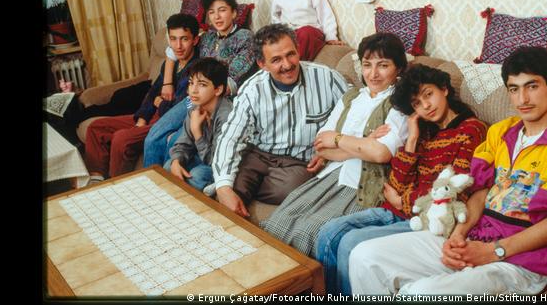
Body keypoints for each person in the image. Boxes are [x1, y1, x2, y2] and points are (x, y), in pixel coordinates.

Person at [348, 46, 547, 295]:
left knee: (422, 293)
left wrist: (494, 251)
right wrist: (457, 236)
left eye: (532, 87)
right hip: (477, 236)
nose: (522, 99)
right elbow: (481, 190)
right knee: (364, 256)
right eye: (514, 89)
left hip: (524, 260)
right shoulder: (501, 133)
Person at [314, 64, 488, 295]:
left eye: (429, 95)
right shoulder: (423, 131)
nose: (426, 106)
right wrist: (412, 140)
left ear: (444, 89)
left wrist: (402, 201)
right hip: (396, 210)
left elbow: (454, 190)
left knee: (349, 242)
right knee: (328, 232)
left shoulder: (472, 130)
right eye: (417, 103)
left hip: (425, 219)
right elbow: (395, 184)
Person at [259, 32, 410, 257]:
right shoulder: (351, 97)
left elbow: (380, 154)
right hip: (329, 176)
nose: (373, 74)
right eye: (367, 65)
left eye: (383, 65)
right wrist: (363, 145)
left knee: (307, 233)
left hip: (363, 184)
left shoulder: (401, 103)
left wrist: (339, 140)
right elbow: (321, 144)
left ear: (398, 68)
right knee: (277, 223)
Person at [209, 23, 349, 218]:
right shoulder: (252, 89)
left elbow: (353, 114)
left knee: (291, 188)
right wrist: (224, 188)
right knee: (228, 191)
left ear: (298, 50)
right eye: (276, 60)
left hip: (297, 163)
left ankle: (237, 184)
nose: (287, 64)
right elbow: (230, 137)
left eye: (290, 54)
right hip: (257, 154)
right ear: (262, 64)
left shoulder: (327, 78)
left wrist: (328, 152)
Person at [143, 0, 257, 168]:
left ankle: (170, 185)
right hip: (193, 98)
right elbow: (174, 49)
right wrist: (167, 82)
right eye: (212, 12)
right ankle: (151, 186)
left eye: (222, 10)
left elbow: (230, 81)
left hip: (219, 102)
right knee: (154, 135)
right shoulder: (207, 38)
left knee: (174, 141)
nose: (217, 17)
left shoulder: (245, 38)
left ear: (234, 13)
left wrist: (199, 103)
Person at [84, 13, 200, 180]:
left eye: (184, 39)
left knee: (121, 138)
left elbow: (176, 110)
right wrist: (142, 118)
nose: (178, 46)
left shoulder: (195, 69)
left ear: (195, 40)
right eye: (173, 39)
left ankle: (117, 183)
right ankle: (96, 180)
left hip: (164, 123)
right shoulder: (171, 63)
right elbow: (153, 91)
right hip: (151, 116)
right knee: (96, 127)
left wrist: (159, 103)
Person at [164, 58, 232, 192]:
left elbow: (216, 161)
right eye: (191, 83)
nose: (193, 90)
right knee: (169, 165)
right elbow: (183, 143)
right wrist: (177, 160)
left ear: (218, 90)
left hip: (221, 166)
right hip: (202, 157)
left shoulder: (227, 116)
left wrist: (197, 132)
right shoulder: (195, 106)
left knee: (197, 175)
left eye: (202, 84)